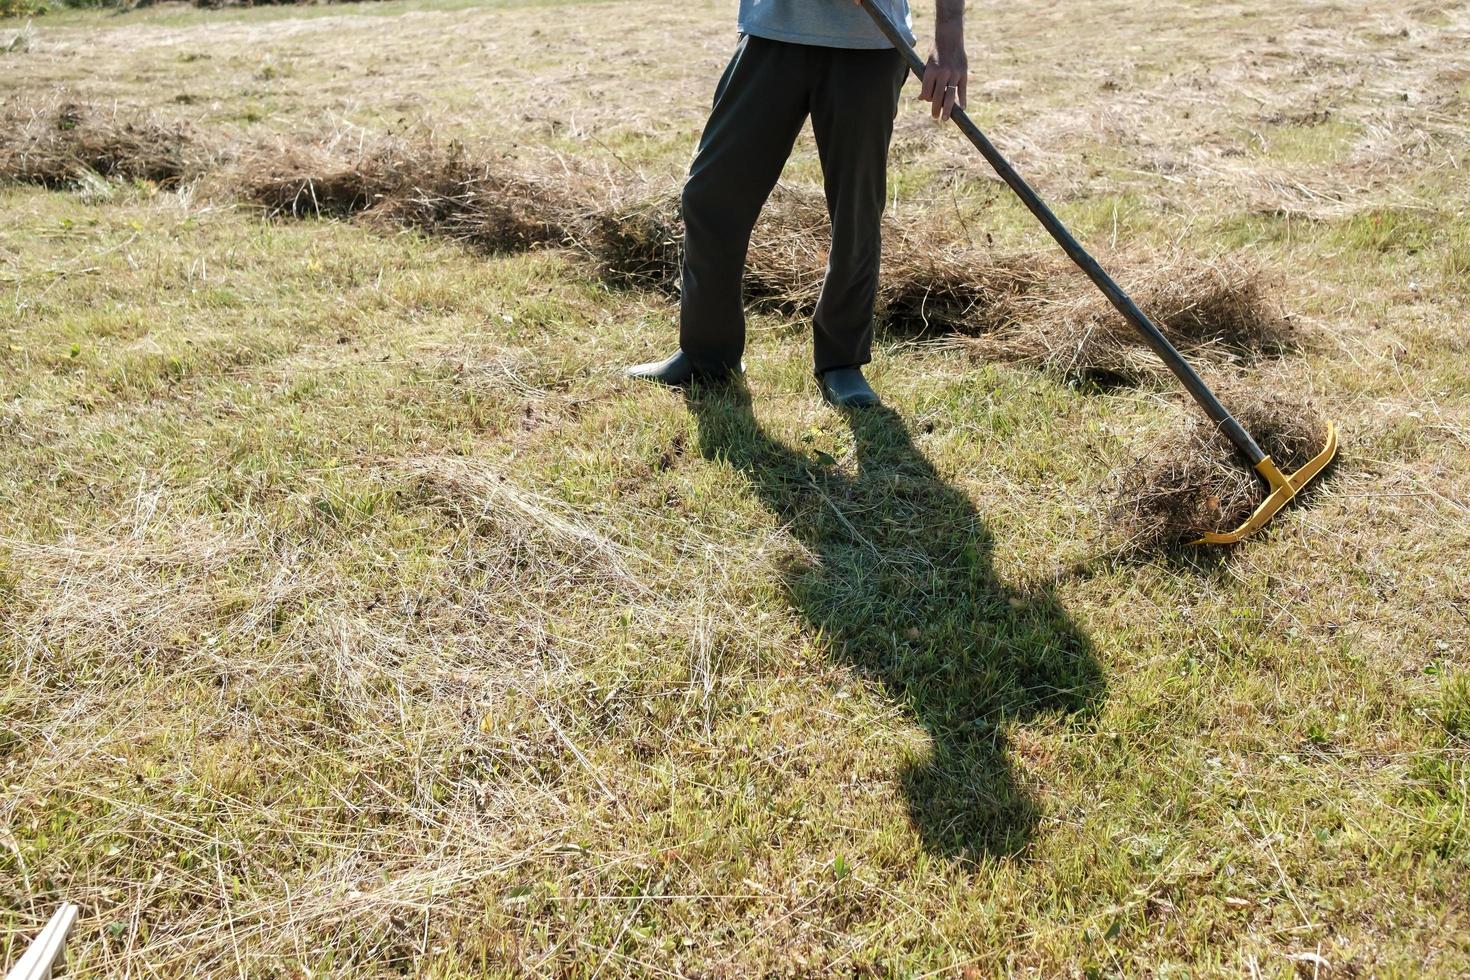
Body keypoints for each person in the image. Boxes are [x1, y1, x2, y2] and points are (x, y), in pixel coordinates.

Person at [626, 0, 969, 408]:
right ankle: (707, 354)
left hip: (869, 45)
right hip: (773, 33)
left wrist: (948, 42)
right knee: (711, 196)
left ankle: (842, 361)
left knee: (855, 211)